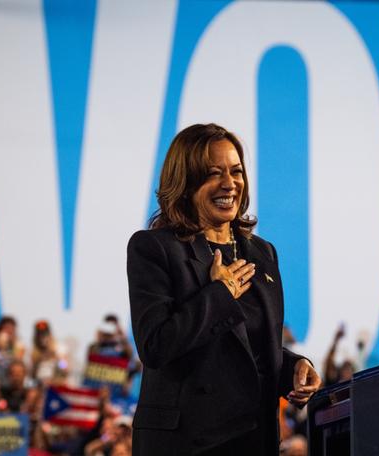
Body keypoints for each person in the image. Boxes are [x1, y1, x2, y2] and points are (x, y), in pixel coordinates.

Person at [127, 123, 321, 455]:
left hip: (253, 440)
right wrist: (219, 294)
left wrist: (293, 369)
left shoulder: (262, 252)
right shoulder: (155, 248)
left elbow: (251, 348)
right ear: (186, 183)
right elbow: (155, 345)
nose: (229, 184)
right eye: (214, 174)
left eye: (236, 172)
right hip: (187, 443)